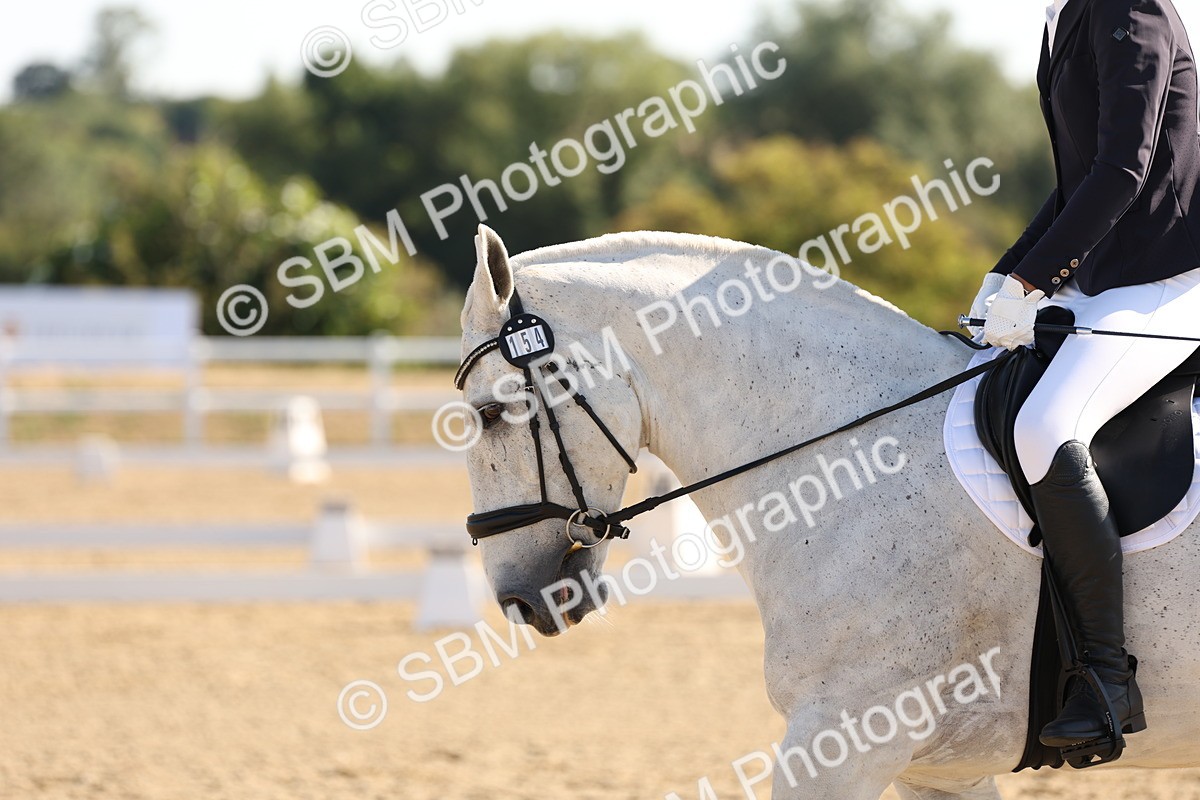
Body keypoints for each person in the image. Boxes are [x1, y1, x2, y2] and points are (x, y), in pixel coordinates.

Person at [971, 0, 1200, 748]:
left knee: (1045, 427)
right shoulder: (1065, 15)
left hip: (1169, 275)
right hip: (1111, 275)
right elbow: (1076, 184)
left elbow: (1124, 170)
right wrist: (1004, 275)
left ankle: (1106, 676)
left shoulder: (1128, 7)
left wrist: (1034, 284)